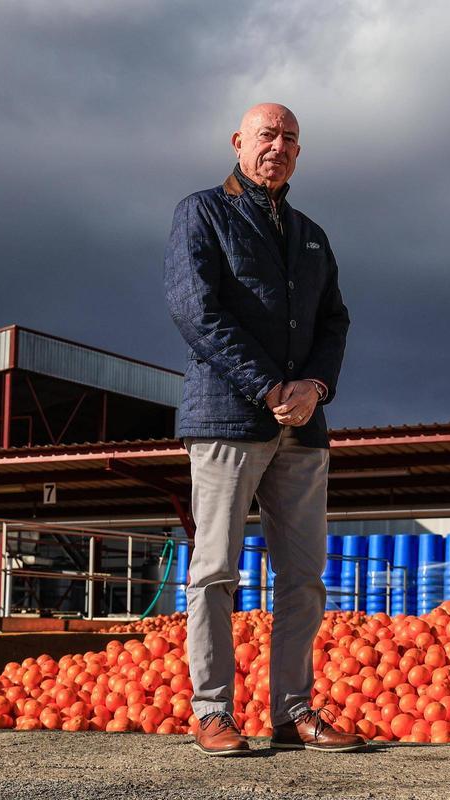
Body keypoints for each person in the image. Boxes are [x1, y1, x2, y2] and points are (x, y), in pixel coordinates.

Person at [164, 103, 361, 755]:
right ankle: (212, 711)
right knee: (215, 570)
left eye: (291, 138)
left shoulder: (311, 235)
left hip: (302, 427)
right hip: (227, 417)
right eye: (267, 135)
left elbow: (334, 321)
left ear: (300, 154)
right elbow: (196, 310)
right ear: (238, 142)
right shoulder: (203, 213)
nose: (279, 146)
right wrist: (268, 386)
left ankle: (293, 711)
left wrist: (315, 387)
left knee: (303, 575)